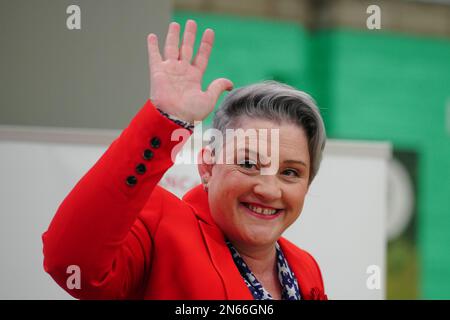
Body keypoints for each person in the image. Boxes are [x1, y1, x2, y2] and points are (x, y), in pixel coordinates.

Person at [42, 20, 327, 300]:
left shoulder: (304, 268)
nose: (268, 190)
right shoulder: (161, 229)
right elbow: (71, 265)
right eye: (249, 164)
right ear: (207, 165)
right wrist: (164, 121)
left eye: (290, 172)